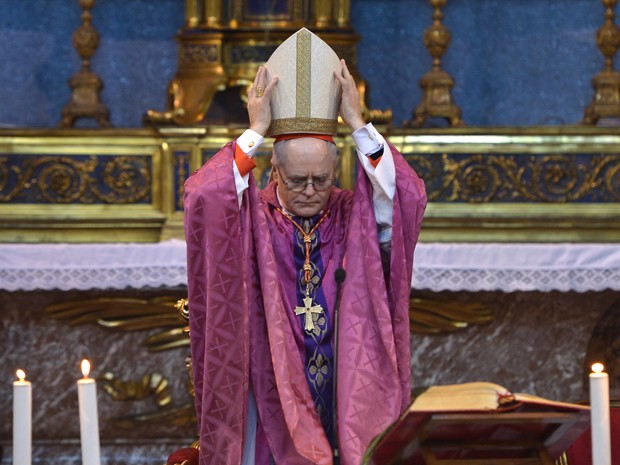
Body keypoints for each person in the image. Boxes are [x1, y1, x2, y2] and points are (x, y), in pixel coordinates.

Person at [184, 51, 427, 465]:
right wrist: (255, 131)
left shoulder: (354, 216)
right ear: (274, 171)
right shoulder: (254, 217)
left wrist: (358, 125)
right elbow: (204, 198)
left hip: (345, 377)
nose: (311, 190)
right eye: (298, 180)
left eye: (323, 179)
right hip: (271, 380)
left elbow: (407, 196)